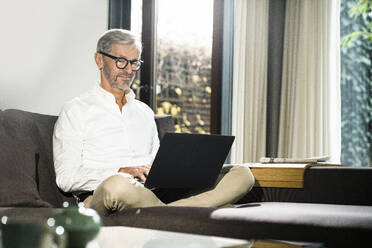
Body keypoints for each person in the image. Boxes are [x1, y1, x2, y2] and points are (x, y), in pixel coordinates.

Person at [53, 29, 255, 216]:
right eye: (121, 61)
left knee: (241, 174)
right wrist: (120, 171)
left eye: (134, 62)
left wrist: (177, 172)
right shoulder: (76, 110)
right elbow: (66, 178)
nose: (129, 70)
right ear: (99, 60)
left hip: (152, 194)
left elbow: (157, 163)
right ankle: (186, 213)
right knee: (117, 185)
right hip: (105, 195)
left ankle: (166, 215)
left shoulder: (144, 112)